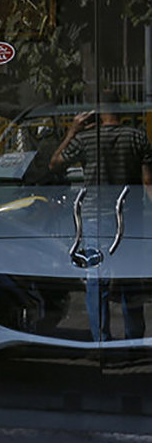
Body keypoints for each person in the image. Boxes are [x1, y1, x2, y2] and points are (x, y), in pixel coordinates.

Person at [48, 105, 152, 341]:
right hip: (129, 218)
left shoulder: (85, 139)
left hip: (95, 217)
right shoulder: (137, 137)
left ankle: (101, 341)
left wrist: (72, 132)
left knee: (97, 279)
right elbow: (148, 181)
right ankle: (134, 339)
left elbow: (54, 164)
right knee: (130, 278)